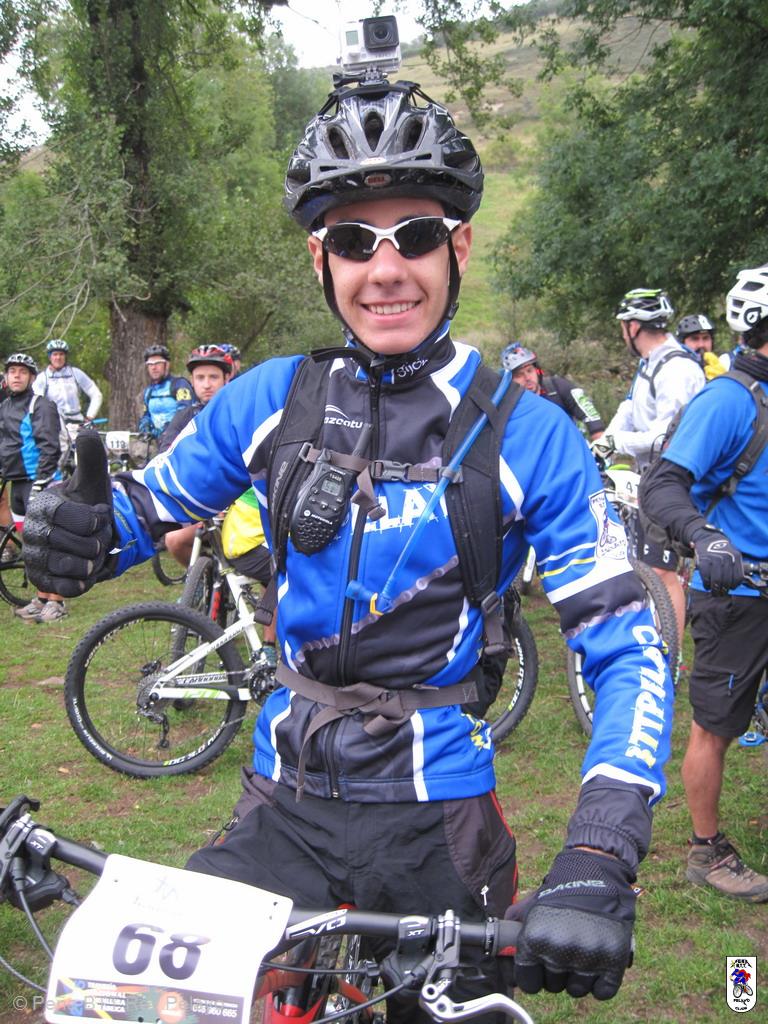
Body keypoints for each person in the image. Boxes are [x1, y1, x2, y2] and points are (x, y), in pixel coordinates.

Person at [24, 72, 674, 1010]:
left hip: (436, 817)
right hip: (280, 805)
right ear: (319, 260)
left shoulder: (528, 434)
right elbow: (146, 508)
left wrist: (599, 849)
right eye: (354, 241)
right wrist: (84, 536)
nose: (386, 268)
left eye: (416, 235)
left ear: (457, 247)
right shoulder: (271, 399)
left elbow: (627, 648)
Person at [639, 264, 768, 902]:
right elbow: (662, 485)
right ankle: (706, 850)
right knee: (715, 726)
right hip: (738, 596)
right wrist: (705, 536)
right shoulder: (729, 401)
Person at [598, 289, 706, 646]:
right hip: (653, 479)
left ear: (633, 326)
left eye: (622, 326)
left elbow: (664, 435)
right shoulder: (651, 363)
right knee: (647, 565)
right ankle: (657, 640)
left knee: (661, 571)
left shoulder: (676, 368)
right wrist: (602, 443)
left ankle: (669, 656)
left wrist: (617, 443)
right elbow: (629, 409)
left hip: (675, 481)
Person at [0, 353, 68, 621]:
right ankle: (41, 599)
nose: (16, 375)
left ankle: (57, 602)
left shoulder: (40, 405)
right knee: (31, 547)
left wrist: (42, 481)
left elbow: (51, 447)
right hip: (17, 484)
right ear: (6, 377)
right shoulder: (5, 406)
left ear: (31, 377)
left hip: (40, 482)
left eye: (22, 371)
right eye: (12, 371)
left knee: (48, 544)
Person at [157, 345, 233, 566]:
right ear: (192, 381)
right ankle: (206, 578)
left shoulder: (237, 412)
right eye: (200, 378)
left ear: (226, 379)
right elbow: (166, 453)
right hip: (202, 503)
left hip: (240, 505)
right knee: (174, 541)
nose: (207, 384)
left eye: (213, 377)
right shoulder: (185, 416)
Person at [501, 341, 605, 438]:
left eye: (529, 371)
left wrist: (597, 434)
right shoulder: (508, 406)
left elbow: (588, 411)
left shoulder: (557, 387)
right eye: (519, 375)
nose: (527, 378)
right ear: (510, 380)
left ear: (537, 371)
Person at [32, 338, 103, 438]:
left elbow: (96, 394)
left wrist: (90, 416)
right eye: (55, 354)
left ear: (65, 356)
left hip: (78, 424)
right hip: (55, 425)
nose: (58, 357)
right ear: (50, 357)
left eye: (61, 354)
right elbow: (36, 402)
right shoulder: (43, 378)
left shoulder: (76, 373)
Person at [137, 344, 194, 439]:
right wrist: (145, 424)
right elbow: (146, 414)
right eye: (150, 364)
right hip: (156, 443)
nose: (153, 367)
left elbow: (185, 414)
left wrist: (167, 429)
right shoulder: (149, 391)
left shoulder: (180, 385)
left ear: (167, 365)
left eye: (158, 363)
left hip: (179, 440)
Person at [675, 315, 724, 381]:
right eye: (694, 339)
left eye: (705, 338)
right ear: (682, 343)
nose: (701, 345)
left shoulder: (722, 365)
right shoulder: (674, 370)